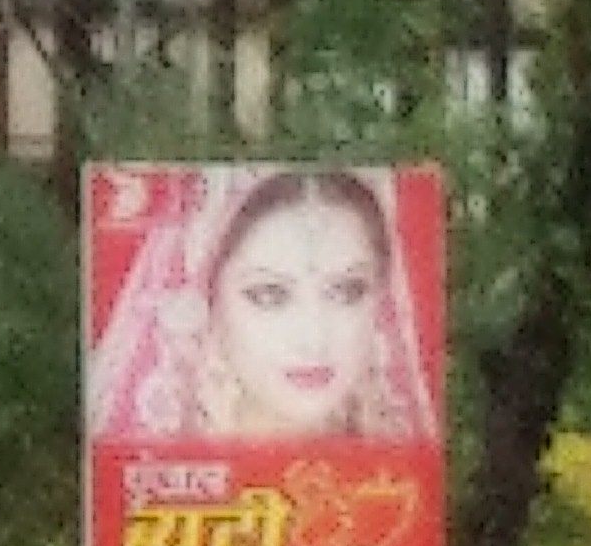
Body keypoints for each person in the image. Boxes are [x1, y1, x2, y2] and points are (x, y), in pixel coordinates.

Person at [90, 166, 437, 444]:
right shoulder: (157, 479)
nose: (314, 339)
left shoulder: (397, 476)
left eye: (347, 291)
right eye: (269, 295)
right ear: (208, 304)